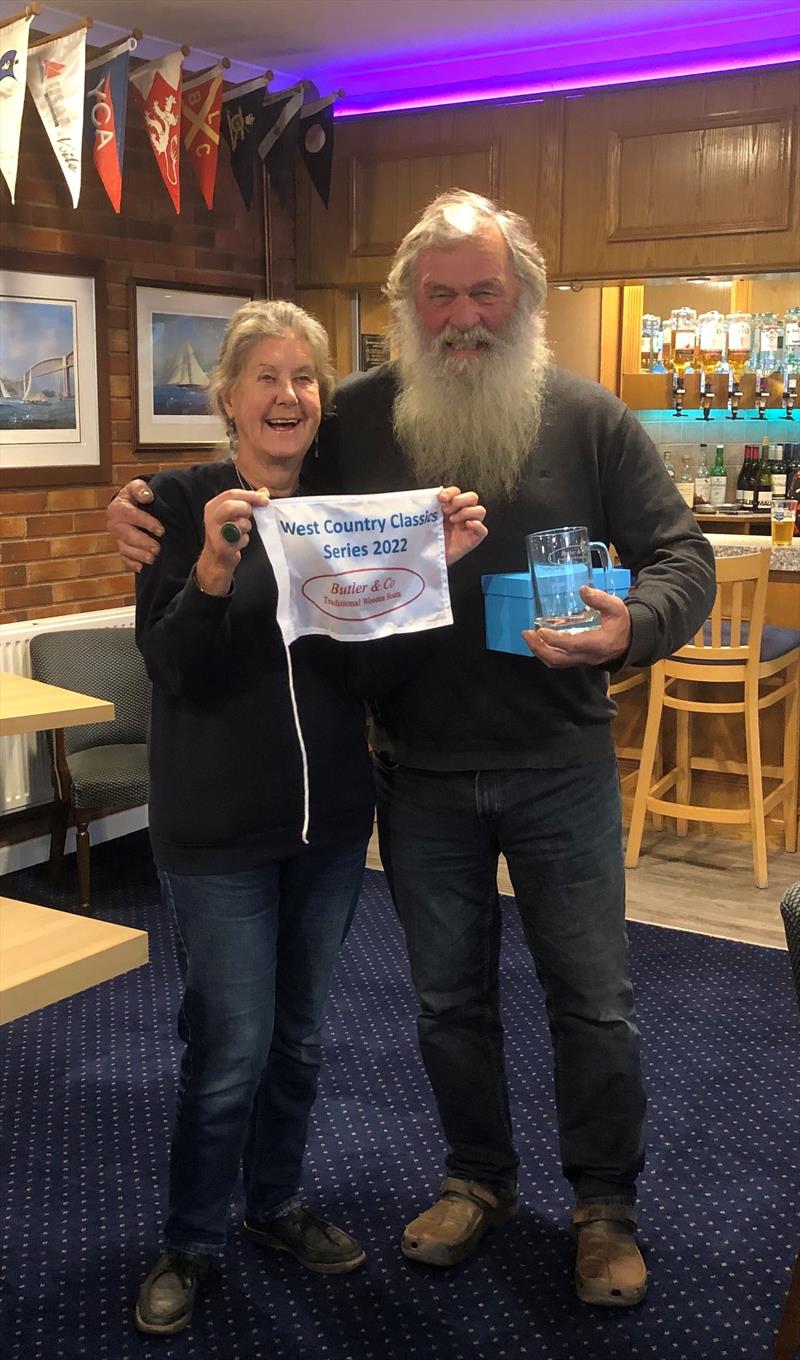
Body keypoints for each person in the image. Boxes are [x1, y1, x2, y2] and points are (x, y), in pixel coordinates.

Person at [109, 193, 716, 1310]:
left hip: (557, 763)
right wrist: (141, 505)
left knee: (592, 998)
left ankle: (602, 1207)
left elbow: (680, 555)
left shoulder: (589, 417)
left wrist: (636, 625)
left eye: (483, 290)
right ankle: (476, 1178)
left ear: (522, 298)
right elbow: (253, 471)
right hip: (417, 771)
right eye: (437, 295)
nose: (461, 315)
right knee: (446, 1000)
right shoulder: (351, 419)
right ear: (405, 307)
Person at [130, 297, 486, 1336]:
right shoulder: (175, 502)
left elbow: (373, 665)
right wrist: (207, 568)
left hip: (328, 825)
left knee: (296, 1038)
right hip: (215, 834)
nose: (287, 396)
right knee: (228, 1042)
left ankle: (273, 1204)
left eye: (305, 379)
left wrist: (434, 572)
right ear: (228, 396)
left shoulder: (343, 509)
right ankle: (188, 1239)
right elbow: (172, 669)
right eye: (267, 377)